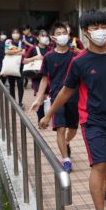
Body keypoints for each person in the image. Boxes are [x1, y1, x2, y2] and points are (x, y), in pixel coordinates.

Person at [39, 10, 106, 210]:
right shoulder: (79, 61)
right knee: (99, 165)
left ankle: (100, 184)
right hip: (93, 121)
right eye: (94, 27)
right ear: (85, 32)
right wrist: (48, 114)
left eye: (103, 25)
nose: (100, 30)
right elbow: (65, 91)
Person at [30, 23, 79, 173]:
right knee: (60, 128)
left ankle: (66, 142)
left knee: (73, 128)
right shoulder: (49, 57)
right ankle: (66, 160)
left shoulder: (75, 55)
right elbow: (45, 79)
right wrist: (38, 99)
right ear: (53, 37)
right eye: (59, 32)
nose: (62, 35)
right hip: (56, 98)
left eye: (64, 32)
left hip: (74, 97)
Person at [23, 29, 52, 121]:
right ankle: (41, 119)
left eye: (46, 36)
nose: (45, 38)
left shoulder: (50, 48)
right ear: (38, 38)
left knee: (47, 97)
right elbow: (24, 61)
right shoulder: (33, 48)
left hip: (48, 76)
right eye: (42, 36)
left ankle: (46, 117)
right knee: (40, 97)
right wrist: (35, 57)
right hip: (37, 77)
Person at [5, 28, 26, 106]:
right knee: (12, 85)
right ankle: (13, 102)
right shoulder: (9, 42)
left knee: (20, 84)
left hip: (20, 66)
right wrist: (18, 51)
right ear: (11, 35)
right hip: (11, 66)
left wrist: (12, 52)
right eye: (14, 33)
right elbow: (6, 51)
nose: (15, 34)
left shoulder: (22, 42)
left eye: (17, 33)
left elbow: (23, 52)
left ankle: (20, 102)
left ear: (19, 35)